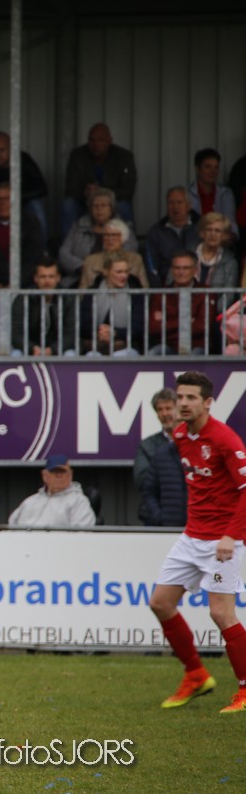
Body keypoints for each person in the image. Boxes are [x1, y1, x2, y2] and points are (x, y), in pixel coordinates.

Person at [147, 371, 246, 715]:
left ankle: (245, 689)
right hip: (192, 537)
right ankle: (196, 675)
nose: (183, 403)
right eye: (180, 397)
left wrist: (231, 535)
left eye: (191, 398)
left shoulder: (224, 439)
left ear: (208, 402)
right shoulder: (179, 435)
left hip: (223, 541)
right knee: (160, 603)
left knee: (220, 612)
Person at [62, 123, 137, 234]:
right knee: (69, 205)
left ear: (109, 141)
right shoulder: (77, 155)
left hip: (112, 202)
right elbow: (71, 189)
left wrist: (101, 192)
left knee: (123, 206)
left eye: (101, 140)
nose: (95, 145)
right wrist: (87, 193)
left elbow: (128, 190)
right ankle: (68, 242)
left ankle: (129, 242)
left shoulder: (124, 156)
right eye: (92, 140)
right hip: (85, 201)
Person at [58, 187, 137, 288]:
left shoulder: (124, 227)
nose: (99, 209)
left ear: (112, 208)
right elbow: (64, 254)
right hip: (78, 278)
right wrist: (82, 267)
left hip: (114, 281)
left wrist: (104, 269)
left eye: (103, 205)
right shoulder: (78, 227)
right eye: (95, 206)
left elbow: (130, 251)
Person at [0, 183, 45, 289]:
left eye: (7, 199)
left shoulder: (30, 223)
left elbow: (33, 259)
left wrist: (15, 285)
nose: (2, 203)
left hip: (24, 284)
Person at [146, 250, 220, 356]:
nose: (181, 272)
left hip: (196, 345)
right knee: (153, 353)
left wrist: (167, 321)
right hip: (168, 345)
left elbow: (203, 326)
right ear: (172, 270)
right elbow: (154, 327)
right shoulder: (161, 294)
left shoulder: (206, 292)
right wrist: (188, 320)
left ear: (195, 270)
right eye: (177, 268)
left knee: (194, 356)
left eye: (186, 268)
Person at [135, 388, 187, 529]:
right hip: (156, 521)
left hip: (191, 520)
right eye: (160, 410)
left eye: (168, 408)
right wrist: (159, 516)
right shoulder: (147, 445)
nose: (164, 414)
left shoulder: (194, 443)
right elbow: (142, 481)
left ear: (178, 409)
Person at [80, 253, 146, 356]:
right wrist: (100, 332)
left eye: (126, 271)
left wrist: (115, 332)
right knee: (91, 356)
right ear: (106, 271)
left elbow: (138, 327)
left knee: (120, 356)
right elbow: (84, 324)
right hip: (96, 346)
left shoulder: (135, 293)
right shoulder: (93, 291)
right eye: (119, 272)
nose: (124, 276)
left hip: (126, 347)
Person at [7, 455, 96, 529]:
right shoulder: (30, 501)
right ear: (45, 476)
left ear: (70, 475)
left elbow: (82, 534)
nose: (59, 475)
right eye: (55, 472)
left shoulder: (78, 501)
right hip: (23, 543)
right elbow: (11, 526)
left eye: (63, 472)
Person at [11, 258, 76, 356]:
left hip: (59, 349)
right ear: (35, 278)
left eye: (51, 276)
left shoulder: (67, 298)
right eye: (43, 277)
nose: (47, 281)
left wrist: (52, 350)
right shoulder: (23, 298)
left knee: (70, 355)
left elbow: (71, 334)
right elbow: (16, 333)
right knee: (15, 354)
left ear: (58, 278)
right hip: (30, 349)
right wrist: (32, 348)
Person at [144, 187, 200, 283]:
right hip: (166, 287)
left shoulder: (201, 228)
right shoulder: (156, 232)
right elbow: (151, 267)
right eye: (171, 203)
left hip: (197, 286)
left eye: (179, 202)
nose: (175, 206)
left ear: (188, 206)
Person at [79, 220, 150, 291]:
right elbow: (82, 292)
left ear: (123, 237)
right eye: (106, 235)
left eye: (114, 235)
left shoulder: (135, 259)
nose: (110, 239)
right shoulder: (90, 261)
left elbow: (144, 290)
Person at [189, 148, 237, 235]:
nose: (213, 171)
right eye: (208, 167)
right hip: (194, 239)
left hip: (221, 239)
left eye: (216, 167)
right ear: (198, 169)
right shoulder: (188, 194)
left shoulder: (225, 194)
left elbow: (231, 224)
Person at [192, 211, 239, 288]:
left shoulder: (230, 262)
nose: (212, 234)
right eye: (209, 229)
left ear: (224, 235)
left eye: (217, 231)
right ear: (202, 233)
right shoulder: (187, 254)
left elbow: (228, 292)